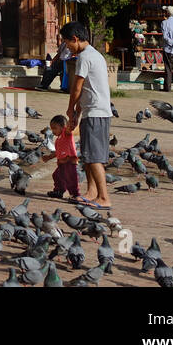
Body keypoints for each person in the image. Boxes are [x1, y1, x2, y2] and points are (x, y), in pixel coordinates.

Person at [61, 21, 112, 209]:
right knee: (89, 155)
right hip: (94, 110)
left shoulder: (84, 57)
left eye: (67, 43)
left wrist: (70, 109)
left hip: (96, 112)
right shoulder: (95, 55)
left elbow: (77, 88)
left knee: (95, 157)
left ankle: (104, 197)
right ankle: (92, 193)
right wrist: (77, 112)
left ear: (75, 39)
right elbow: (89, 89)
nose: (67, 47)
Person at [42, 114, 79, 199]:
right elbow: (57, 152)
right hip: (62, 163)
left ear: (63, 127)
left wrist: (72, 118)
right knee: (57, 175)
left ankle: (75, 195)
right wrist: (48, 157)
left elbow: (70, 128)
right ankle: (59, 191)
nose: (53, 131)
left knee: (70, 178)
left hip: (69, 162)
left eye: (55, 128)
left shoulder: (66, 134)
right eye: (52, 128)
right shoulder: (59, 139)